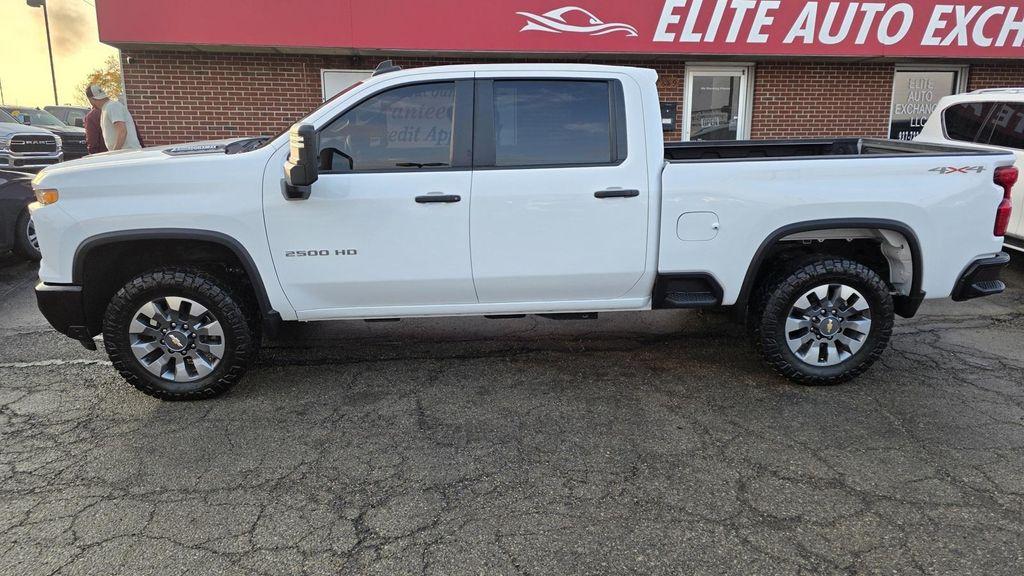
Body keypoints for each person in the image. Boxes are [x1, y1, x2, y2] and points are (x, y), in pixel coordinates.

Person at [85, 85, 142, 151]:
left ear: (91, 99)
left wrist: (114, 153)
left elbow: (122, 131)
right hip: (124, 154)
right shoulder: (106, 108)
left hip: (127, 153)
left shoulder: (112, 106)